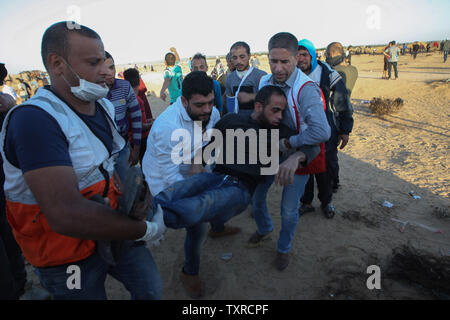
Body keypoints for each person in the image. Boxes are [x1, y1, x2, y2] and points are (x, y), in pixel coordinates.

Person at [0, 21, 164, 300]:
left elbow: (115, 164)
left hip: (114, 230)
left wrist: (143, 201)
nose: (104, 70)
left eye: (104, 61)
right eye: (93, 62)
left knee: (151, 289)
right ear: (58, 64)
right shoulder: (34, 120)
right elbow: (66, 215)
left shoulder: (101, 105)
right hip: (67, 257)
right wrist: (144, 230)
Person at [154, 85, 320, 230]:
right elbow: (210, 142)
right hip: (215, 176)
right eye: (275, 110)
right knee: (175, 190)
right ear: (258, 106)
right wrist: (198, 161)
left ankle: (147, 222)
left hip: (241, 190)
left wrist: (297, 156)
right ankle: (144, 210)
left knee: (201, 204)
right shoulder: (232, 119)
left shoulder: (281, 131)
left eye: (282, 112)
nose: (280, 116)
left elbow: (314, 146)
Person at [142, 71, 239, 298]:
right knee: (196, 226)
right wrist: (199, 189)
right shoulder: (167, 127)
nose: (207, 110)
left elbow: (211, 138)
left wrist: (201, 161)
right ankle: (190, 271)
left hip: (195, 169)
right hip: (167, 179)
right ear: (183, 101)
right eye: (199, 105)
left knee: (219, 199)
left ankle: (218, 227)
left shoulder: (211, 112)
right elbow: (170, 176)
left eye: (210, 103)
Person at [249, 32, 331, 271]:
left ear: (297, 58)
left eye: (285, 62)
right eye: (273, 61)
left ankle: (283, 248)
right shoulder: (264, 82)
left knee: (288, 209)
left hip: (300, 153)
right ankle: (264, 229)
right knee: (256, 198)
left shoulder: (306, 89)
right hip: (269, 151)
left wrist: (289, 146)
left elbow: (321, 132)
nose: (278, 67)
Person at [296, 39, 354, 217]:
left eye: (305, 54)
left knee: (325, 168)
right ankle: (306, 202)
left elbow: (342, 101)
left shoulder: (327, 73)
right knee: (304, 165)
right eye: (297, 55)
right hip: (301, 128)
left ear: (312, 55)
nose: (301, 59)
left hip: (326, 128)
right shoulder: (293, 75)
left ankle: (326, 202)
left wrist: (345, 130)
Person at [104, 51, 142, 181]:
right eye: (105, 68)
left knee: (127, 186)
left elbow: (136, 117)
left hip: (123, 148)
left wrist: (136, 147)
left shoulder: (124, 87)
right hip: (102, 153)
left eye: (112, 67)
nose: (110, 72)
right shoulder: (91, 92)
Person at [225, 41, 267, 114]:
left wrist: (252, 97)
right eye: (234, 58)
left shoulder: (261, 76)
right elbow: (230, 102)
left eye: (242, 57)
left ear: (249, 56)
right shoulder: (230, 78)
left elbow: (269, 100)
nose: (238, 61)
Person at [123, 68, 153, 163]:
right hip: (142, 139)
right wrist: (152, 124)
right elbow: (140, 126)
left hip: (131, 139)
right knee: (146, 164)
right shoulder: (138, 101)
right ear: (139, 81)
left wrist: (148, 121)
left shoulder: (125, 99)